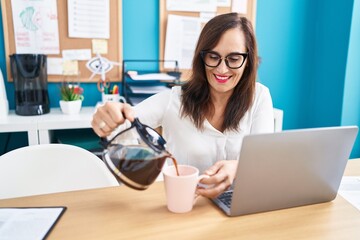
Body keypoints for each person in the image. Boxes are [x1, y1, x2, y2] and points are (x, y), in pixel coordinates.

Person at [91, 13, 274, 198]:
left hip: (239, 206)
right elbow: (123, 123)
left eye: (233, 59)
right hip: (184, 207)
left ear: (248, 60)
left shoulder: (259, 97)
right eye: (213, 56)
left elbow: (264, 158)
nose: (221, 69)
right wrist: (108, 117)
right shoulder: (174, 99)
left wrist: (238, 167)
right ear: (201, 57)